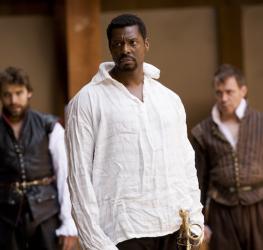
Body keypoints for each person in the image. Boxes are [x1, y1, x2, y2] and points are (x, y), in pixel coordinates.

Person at [65, 13, 203, 250]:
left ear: (146, 44)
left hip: (174, 226)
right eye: (117, 44)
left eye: (132, 42)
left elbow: (185, 163)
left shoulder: (169, 100)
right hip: (121, 233)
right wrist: (96, 244)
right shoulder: (87, 101)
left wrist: (195, 220)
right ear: (110, 47)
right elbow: (79, 178)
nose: (125, 49)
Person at [0, 66, 78, 250]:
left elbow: (65, 175)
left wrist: (68, 221)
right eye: (7, 94)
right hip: (5, 216)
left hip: (46, 213)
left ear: (29, 93)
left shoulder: (49, 126)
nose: (13, 100)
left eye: (18, 93)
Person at [191, 64, 263, 250]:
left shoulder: (260, 123)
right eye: (219, 93)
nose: (223, 98)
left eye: (229, 92)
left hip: (258, 206)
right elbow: (200, 179)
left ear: (243, 90)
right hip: (221, 209)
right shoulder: (203, 131)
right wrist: (200, 221)